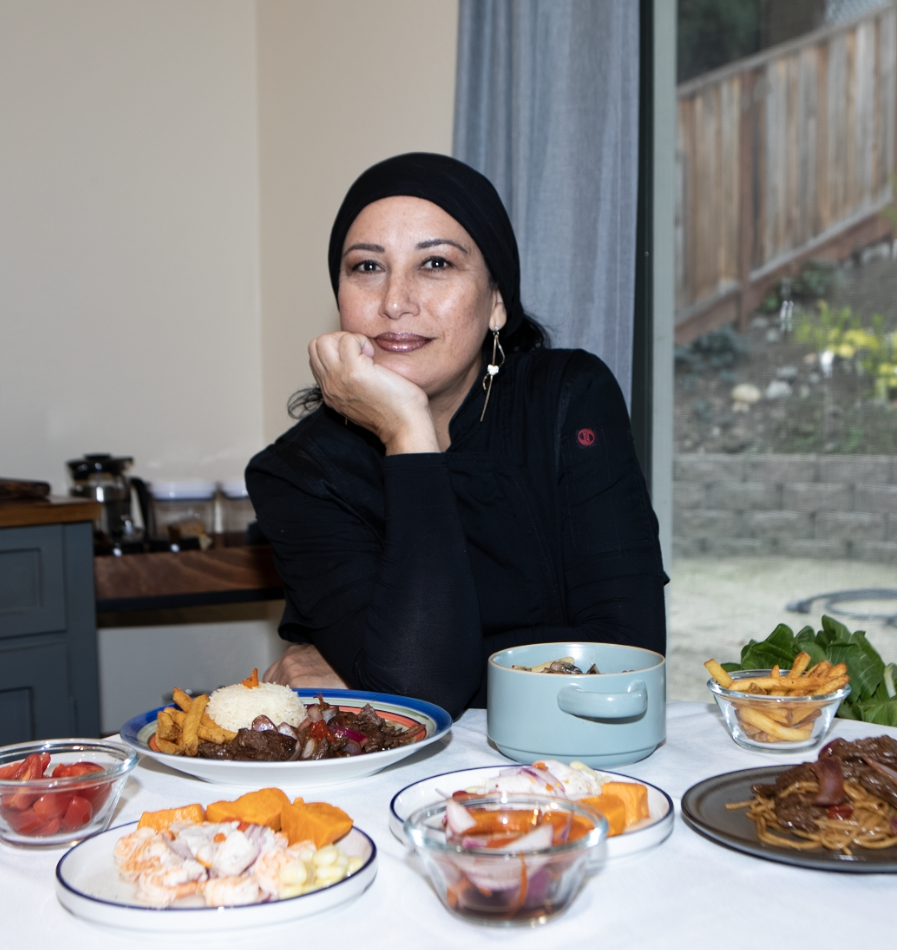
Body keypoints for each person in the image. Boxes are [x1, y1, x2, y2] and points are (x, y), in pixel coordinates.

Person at [246, 152, 665, 719]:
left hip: (576, 765)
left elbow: (627, 653)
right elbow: (419, 689)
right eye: (367, 267)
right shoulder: (298, 473)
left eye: (436, 264)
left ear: (496, 301)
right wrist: (406, 428)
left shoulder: (567, 398)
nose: (395, 301)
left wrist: (366, 669)